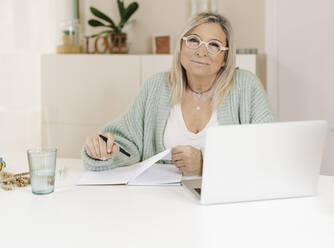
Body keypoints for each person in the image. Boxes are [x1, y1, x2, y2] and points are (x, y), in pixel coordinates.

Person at [82, 12, 276, 175]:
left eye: (214, 45)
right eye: (193, 41)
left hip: (224, 199)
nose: (202, 51)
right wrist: (102, 150)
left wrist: (204, 163)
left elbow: (269, 148)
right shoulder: (156, 86)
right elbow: (126, 144)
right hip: (161, 200)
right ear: (181, 47)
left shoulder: (246, 86)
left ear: (225, 58)